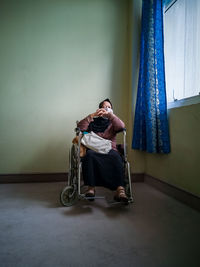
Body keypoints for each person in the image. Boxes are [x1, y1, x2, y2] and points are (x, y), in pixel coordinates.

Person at [77, 98, 128, 202]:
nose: (107, 109)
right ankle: (91, 188)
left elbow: (121, 126)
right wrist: (92, 115)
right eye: (105, 107)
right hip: (94, 149)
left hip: (110, 149)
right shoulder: (92, 121)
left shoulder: (112, 122)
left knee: (116, 156)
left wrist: (110, 115)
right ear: (99, 109)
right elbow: (80, 127)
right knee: (89, 155)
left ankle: (120, 190)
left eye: (109, 107)